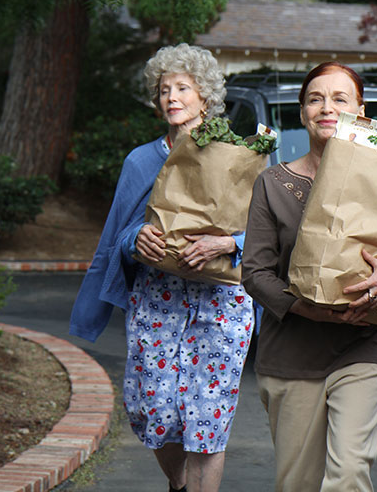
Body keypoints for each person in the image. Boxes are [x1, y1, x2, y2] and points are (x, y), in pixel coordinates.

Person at [69, 43, 254, 492]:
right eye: (164, 90)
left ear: (205, 97)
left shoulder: (240, 155)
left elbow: (270, 233)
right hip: (157, 299)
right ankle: (181, 485)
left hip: (222, 303)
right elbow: (120, 230)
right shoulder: (141, 160)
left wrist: (230, 242)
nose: (171, 97)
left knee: (207, 421)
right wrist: (137, 238)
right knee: (155, 411)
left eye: (183, 88)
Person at [241, 61, 377, 492]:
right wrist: (305, 307)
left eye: (340, 98)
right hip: (291, 352)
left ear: (360, 110)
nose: (326, 107)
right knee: (297, 484)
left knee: (347, 475)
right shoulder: (272, 182)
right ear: (303, 112)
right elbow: (255, 272)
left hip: (365, 344)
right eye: (315, 98)